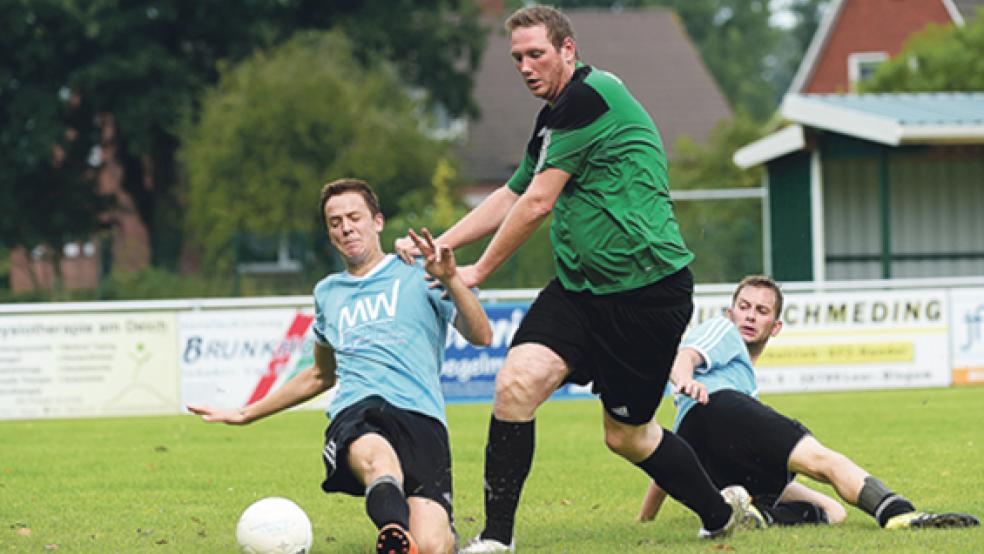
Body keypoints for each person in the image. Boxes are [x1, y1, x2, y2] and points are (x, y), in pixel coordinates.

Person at [396, 5, 753, 551]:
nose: (524, 66)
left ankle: (717, 511)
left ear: (568, 49)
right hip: (581, 289)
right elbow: (512, 192)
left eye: (536, 53)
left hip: (647, 295)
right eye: (516, 57)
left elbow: (538, 203)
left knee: (627, 437)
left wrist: (476, 270)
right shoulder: (553, 117)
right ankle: (496, 538)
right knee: (516, 383)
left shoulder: (591, 96)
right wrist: (442, 245)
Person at [188, 178, 492, 554]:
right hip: (359, 411)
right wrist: (248, 412)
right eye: (335, 222)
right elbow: (320, 374)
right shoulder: (328, 293)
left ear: (377, 221)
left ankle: (423, 538)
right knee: (380, 459)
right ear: (330, 232)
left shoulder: (422, 271)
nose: (345, 227)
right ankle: (394, 532)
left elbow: (482, 336)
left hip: (421, 418)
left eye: (354, 217)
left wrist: (452, 280)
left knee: (432, 545)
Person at [637, 275, 980, 531]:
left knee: (832, 512)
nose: (750, 316)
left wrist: (645, 521)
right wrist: (684, 378)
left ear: (776, 327)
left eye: (761, 311)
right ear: (730, 313)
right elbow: (686, 357)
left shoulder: (743, 384)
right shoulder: (722, 332)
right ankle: (899, 512)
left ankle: (758, 517)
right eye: (743, 307)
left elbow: (674, 454)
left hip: (707, 460)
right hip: (716, 411)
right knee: (820, 460)